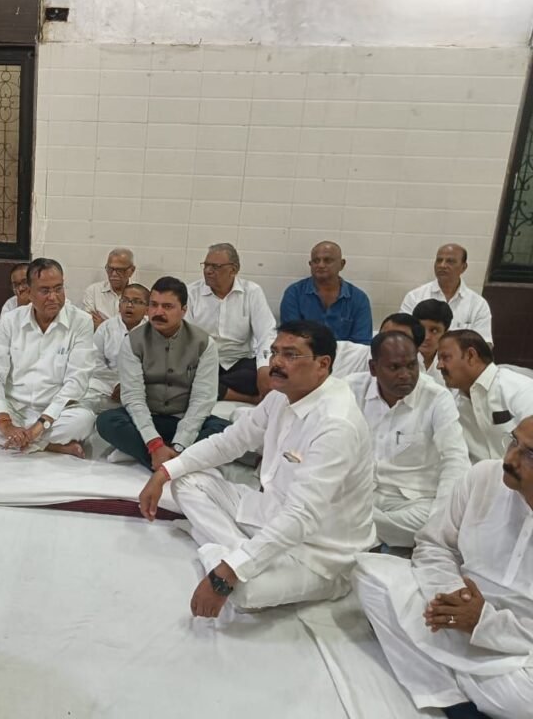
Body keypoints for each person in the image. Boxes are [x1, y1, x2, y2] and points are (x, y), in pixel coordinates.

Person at [139, 321, 375, 615]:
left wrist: (225, 575)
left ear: (322, 364)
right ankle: (238, 552)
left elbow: (302, 516)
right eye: (274, 352)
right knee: (185, 480)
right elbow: (229, 442)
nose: (276, 362)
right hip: (272, 511)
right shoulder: (280, 396)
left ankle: (222, 550)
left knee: (242, 593)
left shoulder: (335, 425)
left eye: (290, 355)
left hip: (320, 552)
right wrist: (164, 472)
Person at [353, 416, 533, 719]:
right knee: (368, 575)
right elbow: (434, 545)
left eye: (530, 454)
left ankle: (437, 675)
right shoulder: (482, 477)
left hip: (518, 646)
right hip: (452, 610)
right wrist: (452, 597)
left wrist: (483, 622)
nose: (510, 459)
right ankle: (460, 694)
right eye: (513, 441)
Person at [0, 258, 95, 457]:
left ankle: (23, 440)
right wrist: (5, 423)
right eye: (45, 291)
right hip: (14, 407)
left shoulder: (81, 321)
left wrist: (40, 425)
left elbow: (77, 382)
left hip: (55, 412)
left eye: (58, 289)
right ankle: (51, 446)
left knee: (83, 421)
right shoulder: (11, 320)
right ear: (29, 292)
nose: (53, 297)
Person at [346, 331, 470, 549]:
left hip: (414, 502)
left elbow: (455, 459)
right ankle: (376, 536)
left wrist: (442, 515)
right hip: (361, 494)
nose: (405, 375)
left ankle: (359, 533)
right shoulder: (350, 389)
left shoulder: (436, 398)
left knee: (429, 522)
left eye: (412, 366)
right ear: (373, 368)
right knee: (327, 504)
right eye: (394, 367)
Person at [96, 277, 220, 470]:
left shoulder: (203, 343)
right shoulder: (133, 341)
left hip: (182, 417)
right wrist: (154, 443)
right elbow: (134, 397)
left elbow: (202, 399)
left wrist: (180, 443)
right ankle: (173, 461)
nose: (158, 312)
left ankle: (155, 456)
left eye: (167, 306)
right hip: (146, 417)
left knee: (223, 429)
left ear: (184, 310)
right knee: (107, 421)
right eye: (154, 305)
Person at [186, 243, 276, 403]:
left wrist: (264, 366)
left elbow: (267, 334)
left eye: (215, 267)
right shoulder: (191, 293)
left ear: (233, 270)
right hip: (203, 361)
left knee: (267, 377)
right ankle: (248, 398)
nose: (208, 271)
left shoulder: (252, 292)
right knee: (182, 379)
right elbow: (185, 337)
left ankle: (213, 390)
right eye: (206, 265)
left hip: (239, 363)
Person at [437, 329, 533, 463]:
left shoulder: (519, 388)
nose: (439, 366)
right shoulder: (451, 405)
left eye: (445, 358)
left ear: (471, 356)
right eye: (438, 359)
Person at [280, 241, 373, 344]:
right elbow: (290, 337)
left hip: (345, 354)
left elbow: (362, 343)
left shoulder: (359, 299)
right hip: (303, 353)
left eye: (327, 260)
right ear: (310, 264)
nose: (320, 265)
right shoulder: (294, 294)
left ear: (342, 264)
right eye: (316, 261)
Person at [401, 244, 493, 344]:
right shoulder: (414, 297)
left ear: (463, 267)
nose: (442, 265)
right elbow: (402, 336)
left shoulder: (478, 304)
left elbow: (485, 344)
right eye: (439, 260)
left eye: (450, 261)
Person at [84, 283, 149, 413]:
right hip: (107, 385)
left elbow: (155, 369)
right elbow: (95, 361)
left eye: (136, 301)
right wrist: (116, 384)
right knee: (84, 397)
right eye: (125, 300)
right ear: (119, 305)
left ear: (148, 309)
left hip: (139, 388)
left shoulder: (153, 332)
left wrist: (128, 386)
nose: (129, 305)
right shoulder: (106, 328)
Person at [334, 312, 426, 378]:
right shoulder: (342, 351)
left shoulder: (418, 377)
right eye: (385, 336)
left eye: (400, 340)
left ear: (415, 349)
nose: (390, 343)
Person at [83, 248, 135, 329]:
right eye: (110, 269)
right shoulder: (93, 291)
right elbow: (88, 324)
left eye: (120, 270)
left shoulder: (141, 294)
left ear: (132, 270)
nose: (113, 274)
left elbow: (138, 328)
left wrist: (103, 325)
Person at [413, 298, 454, 386]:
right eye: (421, 329)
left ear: (445, 334)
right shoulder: (400, 358)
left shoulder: (452, 364)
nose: (426, 337)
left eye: (434, 331)